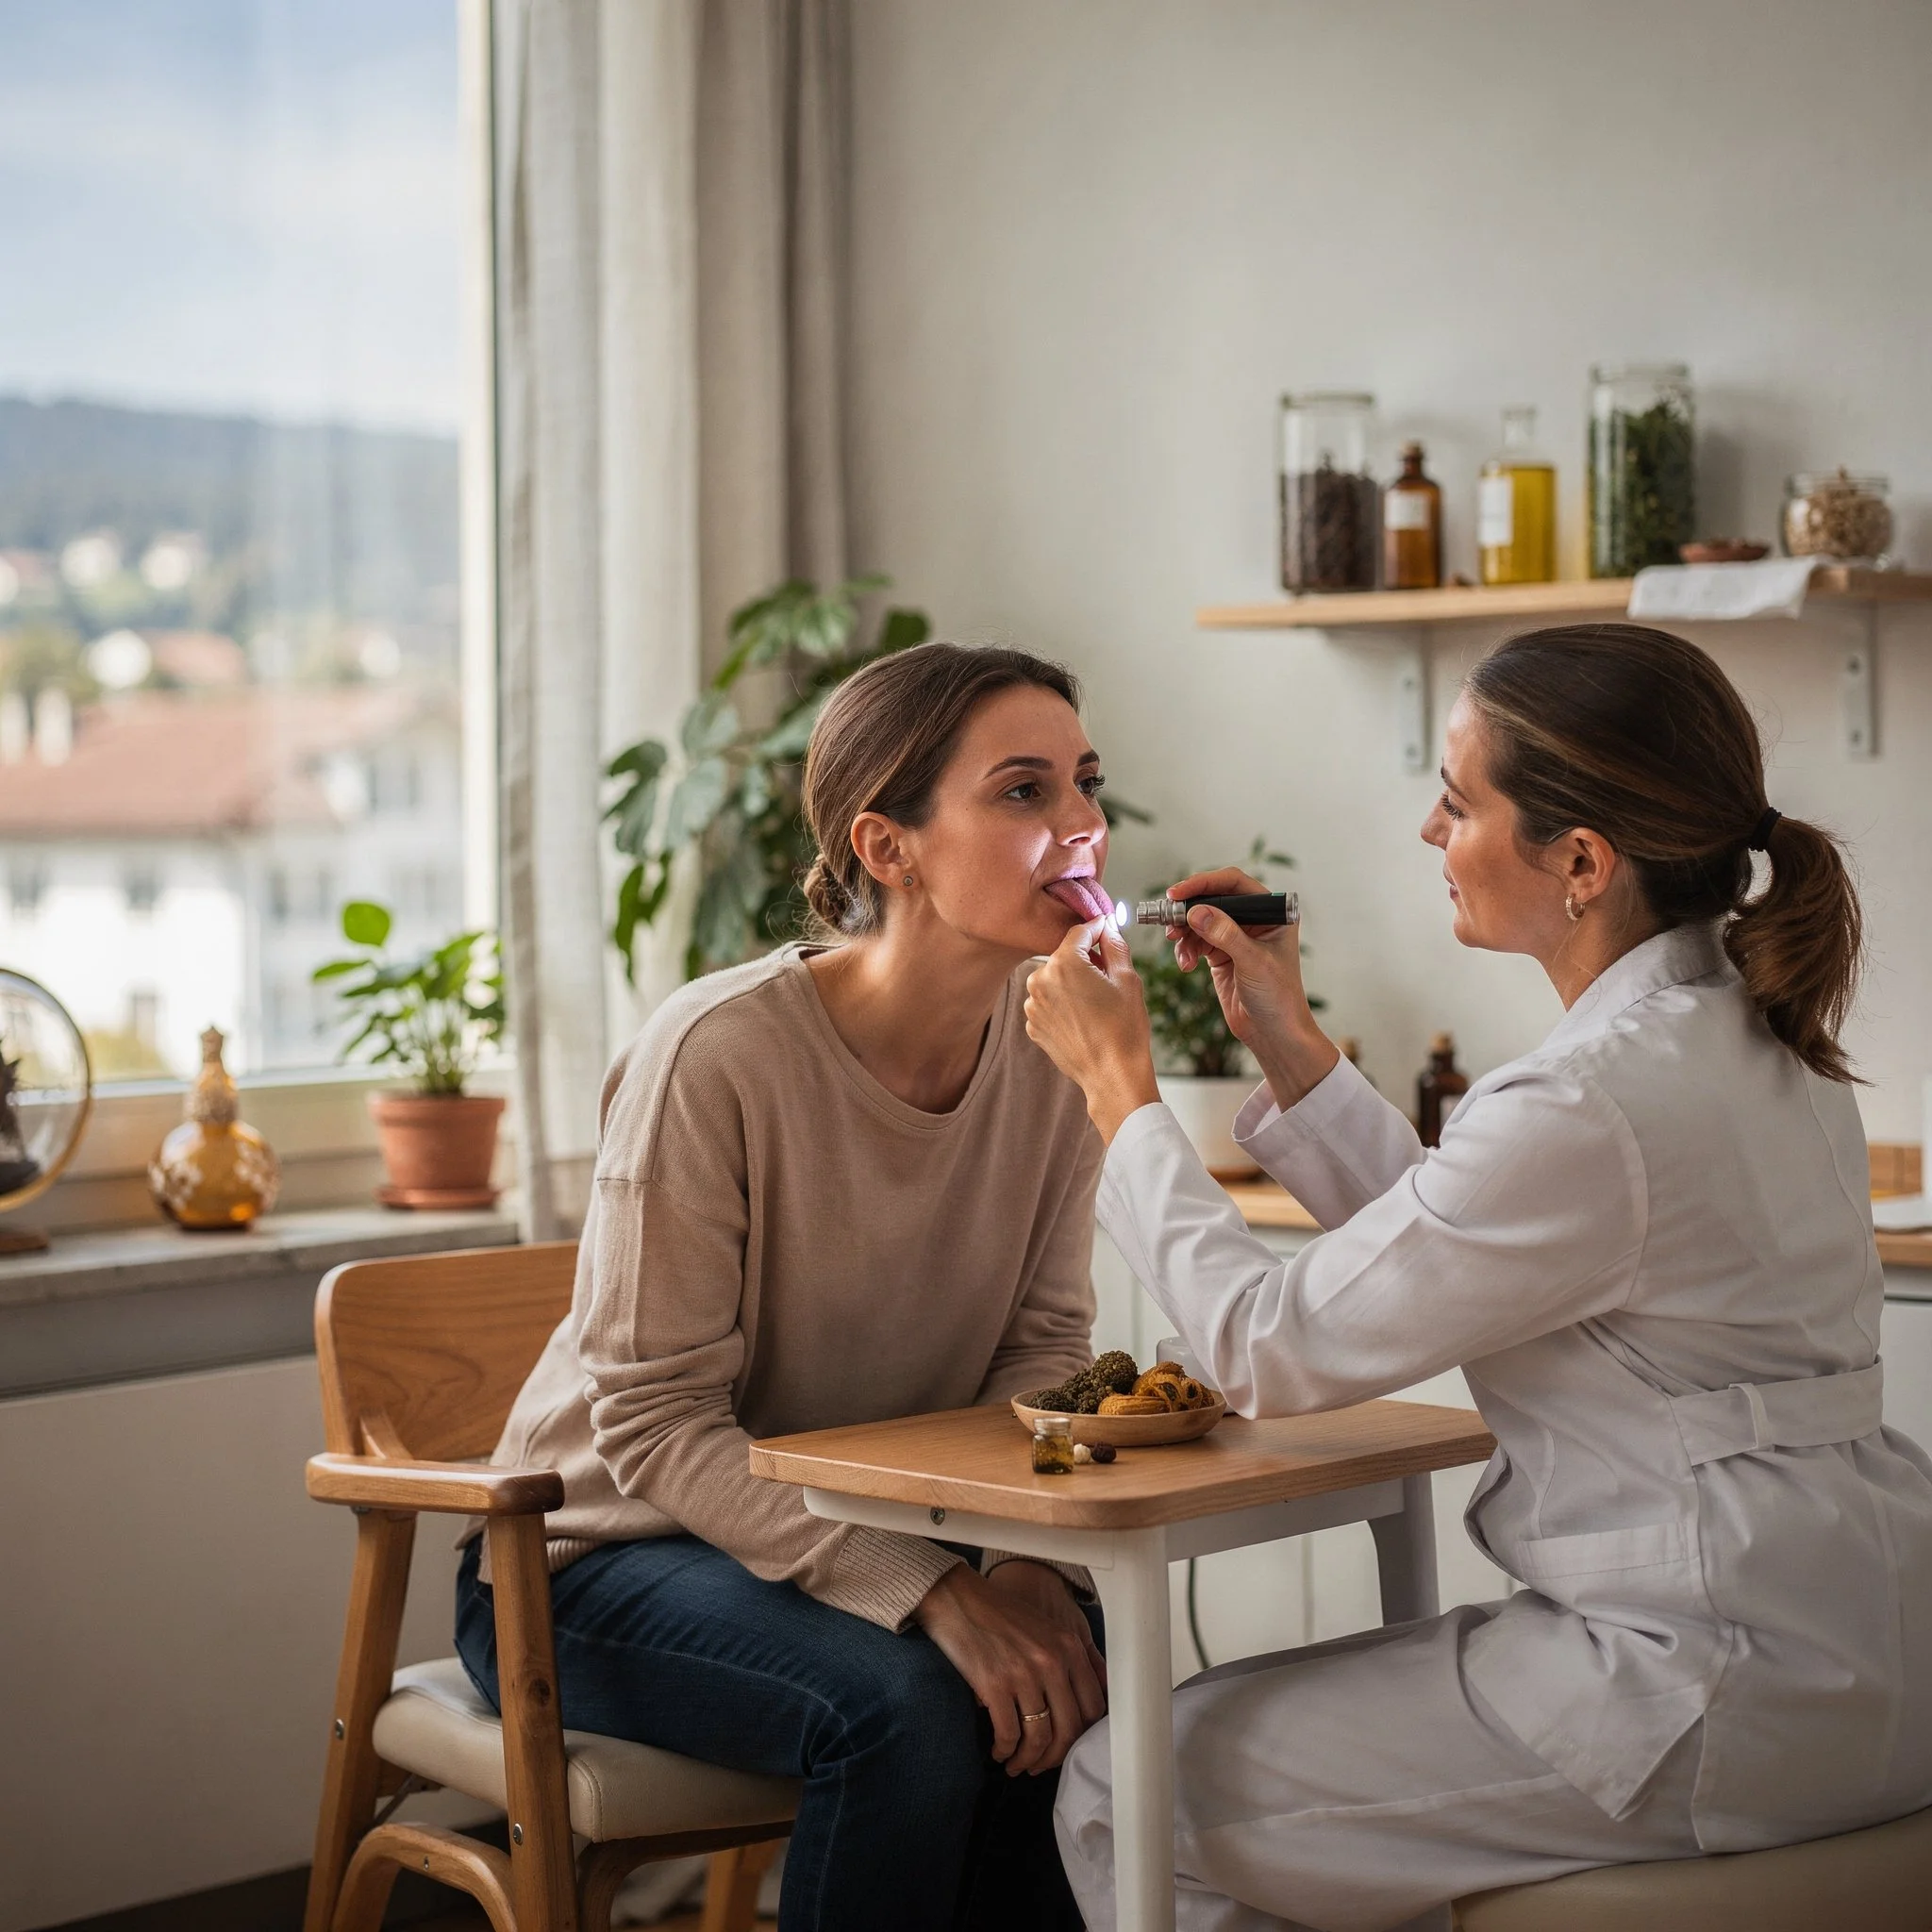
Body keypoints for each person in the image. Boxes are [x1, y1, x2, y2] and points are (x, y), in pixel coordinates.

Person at [1022, 623, 1932, 1932]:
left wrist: (1121, 1094)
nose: (1426, 833)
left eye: (1457, 804)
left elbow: (1265, 1349)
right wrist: (1284, 1035)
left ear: (1580, 861)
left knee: (1125, 1784)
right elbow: (1457, 1236)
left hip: (1708, 1681)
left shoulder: (1589, 1097)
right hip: (1864, 1651)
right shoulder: (1751, 1031)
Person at [458, 642, 1122, 1931]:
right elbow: (651, 1428)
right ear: (889, 847)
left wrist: (1020, 1564)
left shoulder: (1056, 1055)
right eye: (1025, 793)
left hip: (840, 1538)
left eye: (1085, 784)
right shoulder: (717, 1056)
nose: (1084, 825)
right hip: (596, 1565)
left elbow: (1043, 1348)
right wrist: (934, 1591)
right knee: (914, 1707)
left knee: (1080, 1670)